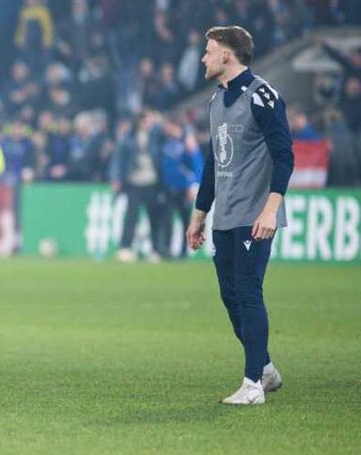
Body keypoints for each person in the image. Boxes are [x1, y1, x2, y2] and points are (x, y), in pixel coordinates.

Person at [187, 26, 292, 405]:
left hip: (255, 215)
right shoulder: (216, 102)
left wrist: (271, 208)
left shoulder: (262, 96)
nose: (203, 58)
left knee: (247, 291)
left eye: (208, 51)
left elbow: (284, 155)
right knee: (230, 297)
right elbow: (213, 164)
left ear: (226, 55)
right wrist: (200, 214)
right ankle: (265, 368)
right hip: (226, 215)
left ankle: (252, 386)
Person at [110, 111, 167, 263]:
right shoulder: (128, 137)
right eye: (147, 121)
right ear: (140, 121)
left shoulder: (156, 136)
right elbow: (119, 158)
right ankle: (125, 248)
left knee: (154, 217)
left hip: (152, 181)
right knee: (131, 216)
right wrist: (116, 178)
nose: (150, 123)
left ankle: (155, 249)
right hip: (134, 181)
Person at [159, 117, 203, 258]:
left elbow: (197, 165)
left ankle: (184, 251)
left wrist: (194, 185)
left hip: (184, 189)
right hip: (168, 188)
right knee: (167, 220)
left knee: (185, 220)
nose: (166, 129)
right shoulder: (165, 142)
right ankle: (166, 250)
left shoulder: (188, 142)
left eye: (169, 126)